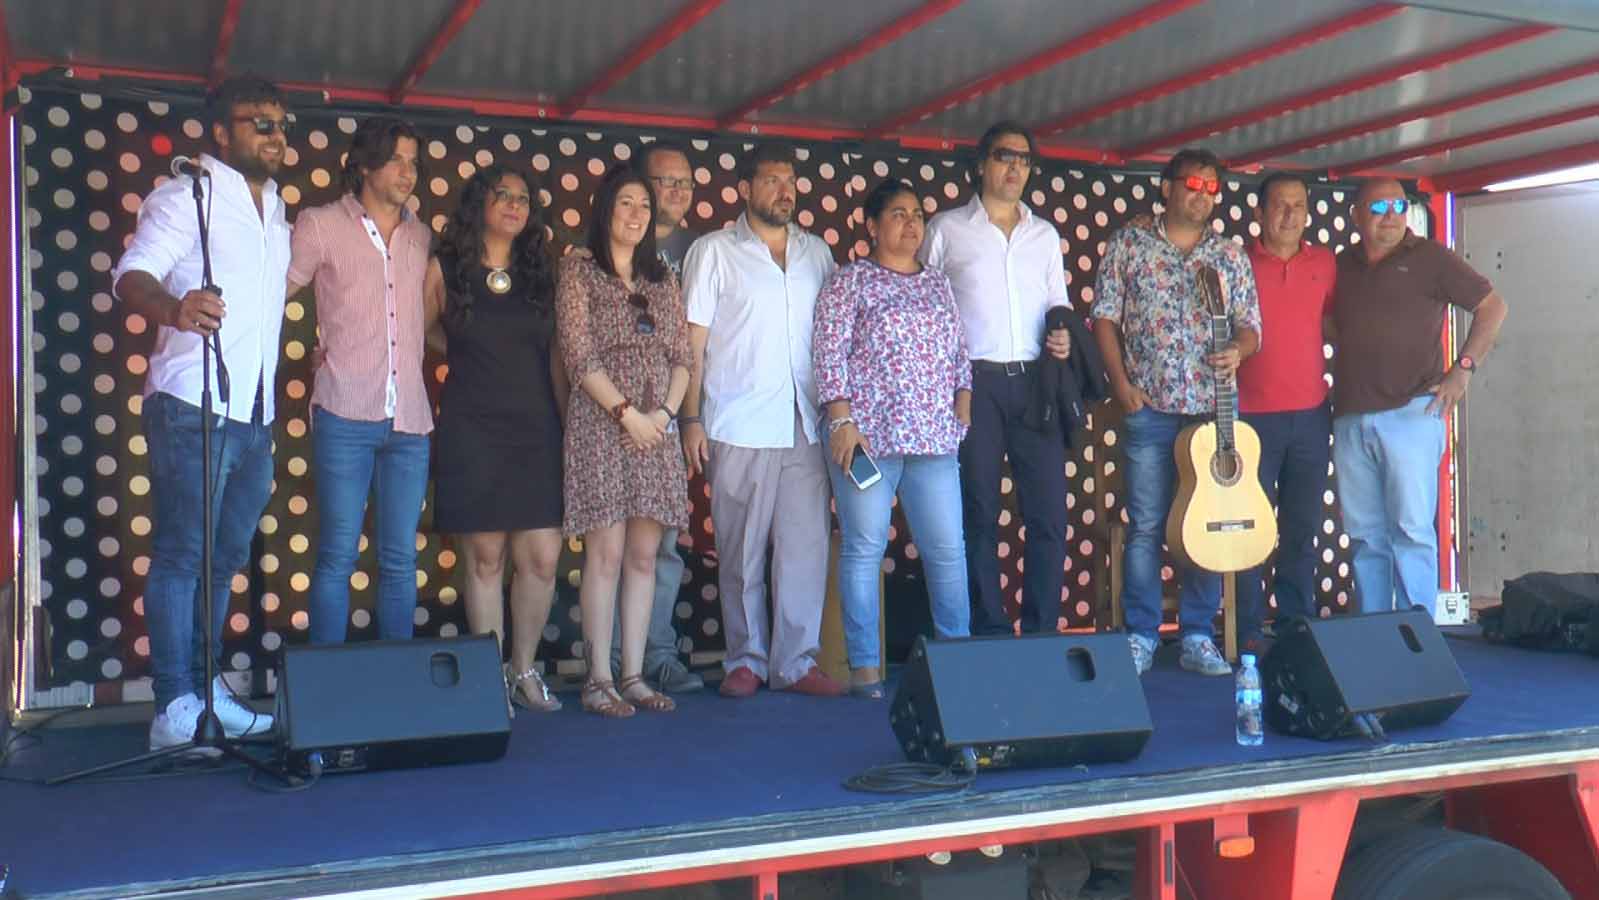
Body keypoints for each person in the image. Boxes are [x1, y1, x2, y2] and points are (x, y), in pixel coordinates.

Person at [111, 75, 289, 750]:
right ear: (221, 132)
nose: (276, 136)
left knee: (223, 560)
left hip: (252, 413)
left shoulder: (274, 208)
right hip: (191, 402)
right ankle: (172, 706)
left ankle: (207, 686)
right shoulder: (186, 194)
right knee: (183, 555)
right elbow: (132, 275)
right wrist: (174, 310)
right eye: (260, 124)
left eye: (282, 124)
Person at [680, 143, 844, 699]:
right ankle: (745, 659)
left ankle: (796, 662)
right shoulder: (713, 252)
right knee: (741, 549)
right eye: (772, 180)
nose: (784, 190)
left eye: (790, 181)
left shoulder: (818, 253)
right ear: (745, 189)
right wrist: (690, 419)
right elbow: (692, 345)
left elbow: (836, 338)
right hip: (737, 419)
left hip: (805, 419)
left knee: (804, 547)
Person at [1091, 147, 1262, 677]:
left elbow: (1252, 327)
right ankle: (1141, 634)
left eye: (1213, 188)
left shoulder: (1229, 255)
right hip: (1149, 408)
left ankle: (1196, 635)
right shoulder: (1129, 243)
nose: (1203, 195)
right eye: (1193, 183)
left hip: (1212, 416)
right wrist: (1121, 386)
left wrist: (1240, 350)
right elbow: (1103, 318)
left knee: (1210, 523)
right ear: (1166, 186)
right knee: (1145, 524)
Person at [812, 178, 973, 699]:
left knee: (947, 550)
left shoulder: (937, 283)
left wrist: (963, 400)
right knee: (864, 549)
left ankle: (957, 661)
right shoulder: (850, 281)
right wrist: (841, 421)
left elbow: (958, 353)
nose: (910, 224)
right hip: (867, 440)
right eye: (899, 214)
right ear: (872, 225)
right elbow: (828, 354)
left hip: (933, 439)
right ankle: (865, 670)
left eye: (917, 215)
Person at [920, 121, 1074, 637]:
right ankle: (987, 628)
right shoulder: (945, 229)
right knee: (978, 511)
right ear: (981, 164)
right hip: (972, 386)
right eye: (1006, 156)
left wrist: (1065, 338)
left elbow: (1061, 306)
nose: (1016, 168)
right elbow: (923, 305)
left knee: (1049, 513)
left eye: (1025, 159)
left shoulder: (1045, 234)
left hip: (1035, 383)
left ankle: (1042, 632)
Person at [424, 165, 566, 712]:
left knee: (542, 558)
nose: (513, 205)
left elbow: (556, 353)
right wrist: (466, 351)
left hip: (535, 426)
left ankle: (523, 671)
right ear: (478, 203)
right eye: (502, 195)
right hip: (472, 424)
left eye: (523, 198)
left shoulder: (542, 272)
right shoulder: (447, 268)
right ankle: (488, 681)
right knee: (484, 558)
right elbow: (423, 330)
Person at [1330, 178, 1507, 616]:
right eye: (1378, 207)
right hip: (1351, 416)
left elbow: (1493, 307)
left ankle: (1418, 636)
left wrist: (1462, 371)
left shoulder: (1429, 256)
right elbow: (1328, 324)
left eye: (1398, 205)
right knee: (1367, 536)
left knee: (1410, 530)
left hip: (1413, 412)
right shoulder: (1342, 265)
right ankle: (1375, 630)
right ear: (1356, 215)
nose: (1391, 215)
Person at [288, 116, 432, 645]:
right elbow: (275, 292)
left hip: (411, 420)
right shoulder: (321, 223)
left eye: (414, 162)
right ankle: (327, 688)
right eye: (397, 159)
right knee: (337, 554)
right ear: (365, 165)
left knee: (400, 559)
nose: (407, 172)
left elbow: (427, 318)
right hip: (344, 411)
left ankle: (396, 685)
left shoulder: (422, 234)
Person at [556, 163, 691, 717]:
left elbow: (683, 356)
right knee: (605, 554)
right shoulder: (578, 270)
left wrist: (661, 415)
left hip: (657, 427)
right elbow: (577, 354)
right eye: (626, 204)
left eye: (644, 206)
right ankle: (598, 678)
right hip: (601, 423)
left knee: (643, 554)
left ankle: (633, 675)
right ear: (605, 209)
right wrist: (624, 413)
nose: (636, 215)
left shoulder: (663, 278)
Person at [606, 140, 704, 694]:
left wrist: (684, 416)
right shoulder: (601, 253)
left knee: (663, 542)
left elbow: (692, 347)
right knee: (610, 543)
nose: (676, 192)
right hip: (611, 416)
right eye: (665, 182)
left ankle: (655, 655)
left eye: (685, 182)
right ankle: (611, 662)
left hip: (671, 417)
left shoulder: (705, 248)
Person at [1234, 173, 1336, 646]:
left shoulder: (1326, 265)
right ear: (1258, 213)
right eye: (1279, 205)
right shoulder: (1236, 263)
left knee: (1302, 526)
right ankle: (1248, 628)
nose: (1289, 214)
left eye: (1298, 205)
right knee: (1250, 528)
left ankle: (1296, 624)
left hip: (1312, 414)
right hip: (1250, 418)